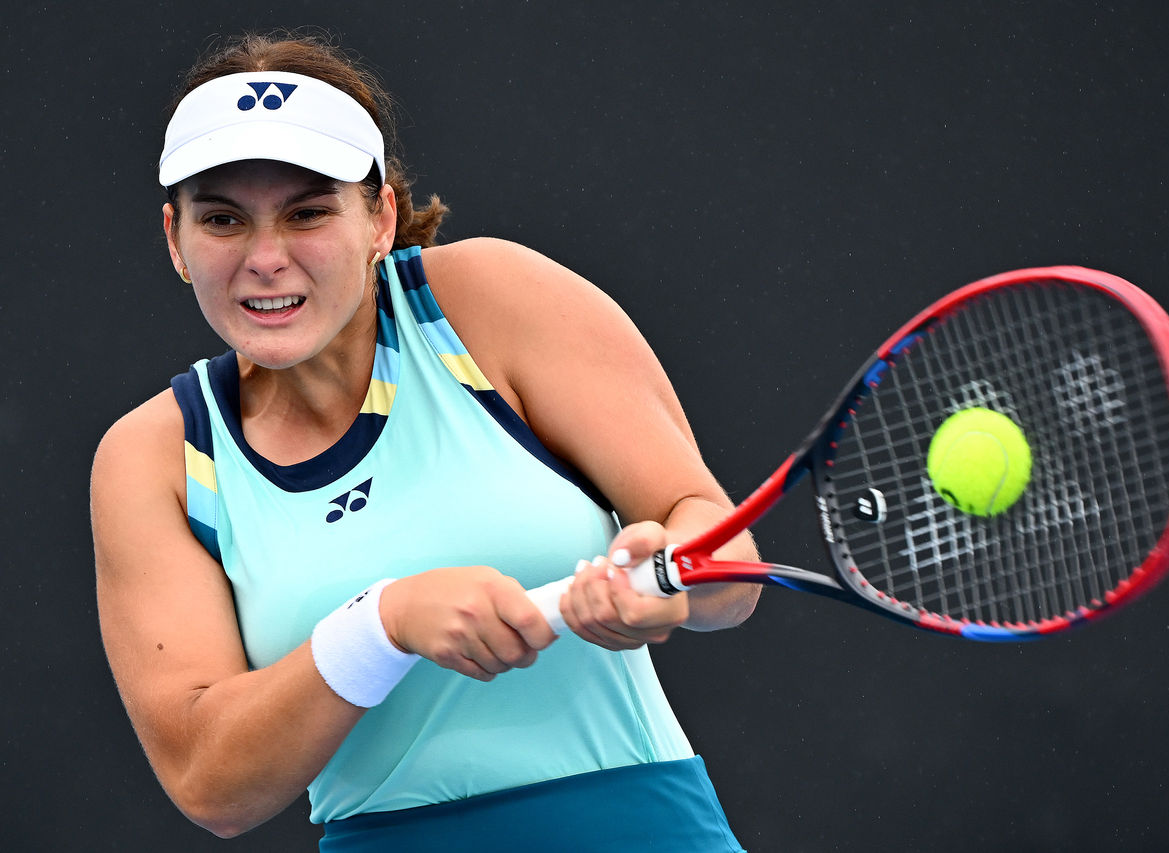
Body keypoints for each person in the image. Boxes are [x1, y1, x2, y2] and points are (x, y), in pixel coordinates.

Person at [90, 31, 759, 851]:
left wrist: (668, 576)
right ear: (175, 241)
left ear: (380, 217)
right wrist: (381, 624)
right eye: (224, 219)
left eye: (307, 212)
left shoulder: (492, 299)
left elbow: (723, 557)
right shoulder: (152, 457)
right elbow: (209, 781)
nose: (266, 259)